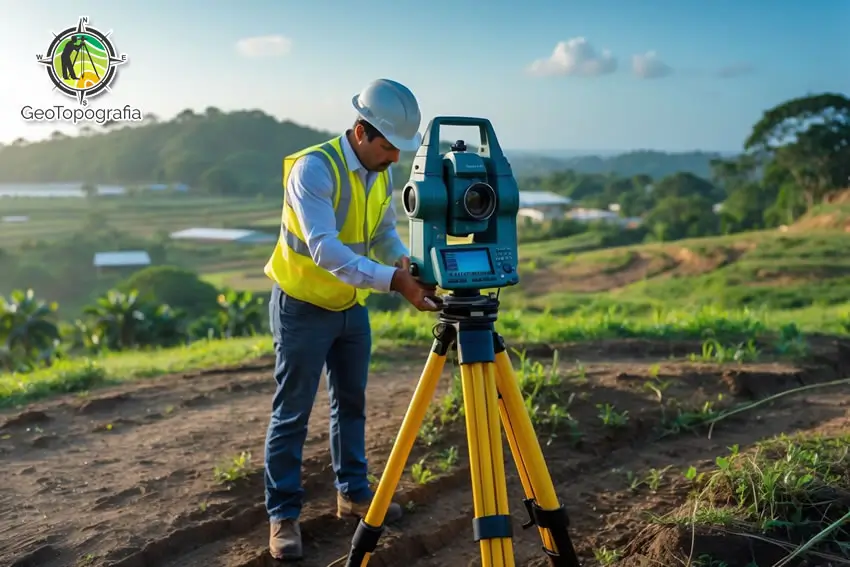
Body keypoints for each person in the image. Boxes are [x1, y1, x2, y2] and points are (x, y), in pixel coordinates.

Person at [262, 78, 441, 561]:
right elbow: (324, 249)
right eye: (388, 146)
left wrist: (404, 262)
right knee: (292, 414)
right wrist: (394, 282)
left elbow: (382, 232)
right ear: (362, 131)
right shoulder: (314, 170)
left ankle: (353, 493)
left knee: (352, 402)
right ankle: (283, 515)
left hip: (350, 306)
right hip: (302, 306)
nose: (395, 157)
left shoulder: (378, 171)